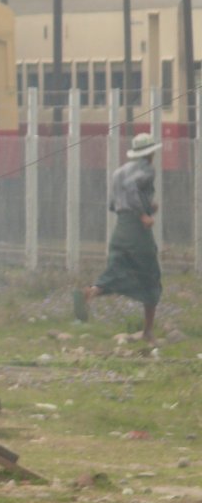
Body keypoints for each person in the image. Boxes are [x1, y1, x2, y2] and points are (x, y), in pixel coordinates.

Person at [73, 132, 162, 344]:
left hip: (120, 229)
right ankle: (148, 331)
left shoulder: (119, 172)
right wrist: (143, 214)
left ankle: (90, 292)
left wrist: (147, 208)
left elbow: (113, 204)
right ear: (149, 153)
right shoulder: (147, 169)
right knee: (151, 277)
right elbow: (133, 191)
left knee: (116, 269)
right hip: (136, 230)